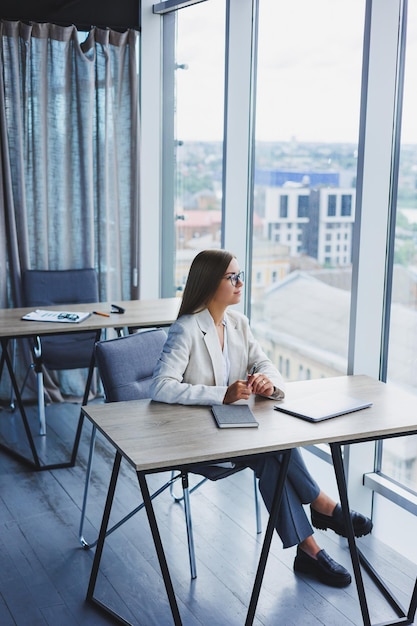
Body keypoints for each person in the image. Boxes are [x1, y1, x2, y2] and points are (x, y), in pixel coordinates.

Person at [151, 249, 372, 587]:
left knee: (274, 457)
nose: (240, 283)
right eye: (232, 277)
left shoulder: (239, 323)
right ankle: (321, 506)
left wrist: (268, 383)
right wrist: (219, 394)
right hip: (199, 440)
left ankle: (309, 547)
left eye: (240, 275)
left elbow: (265, 365)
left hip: (235, 431)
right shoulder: (186, 329)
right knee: (275, 453)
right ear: (210, 283)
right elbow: (161, 386)